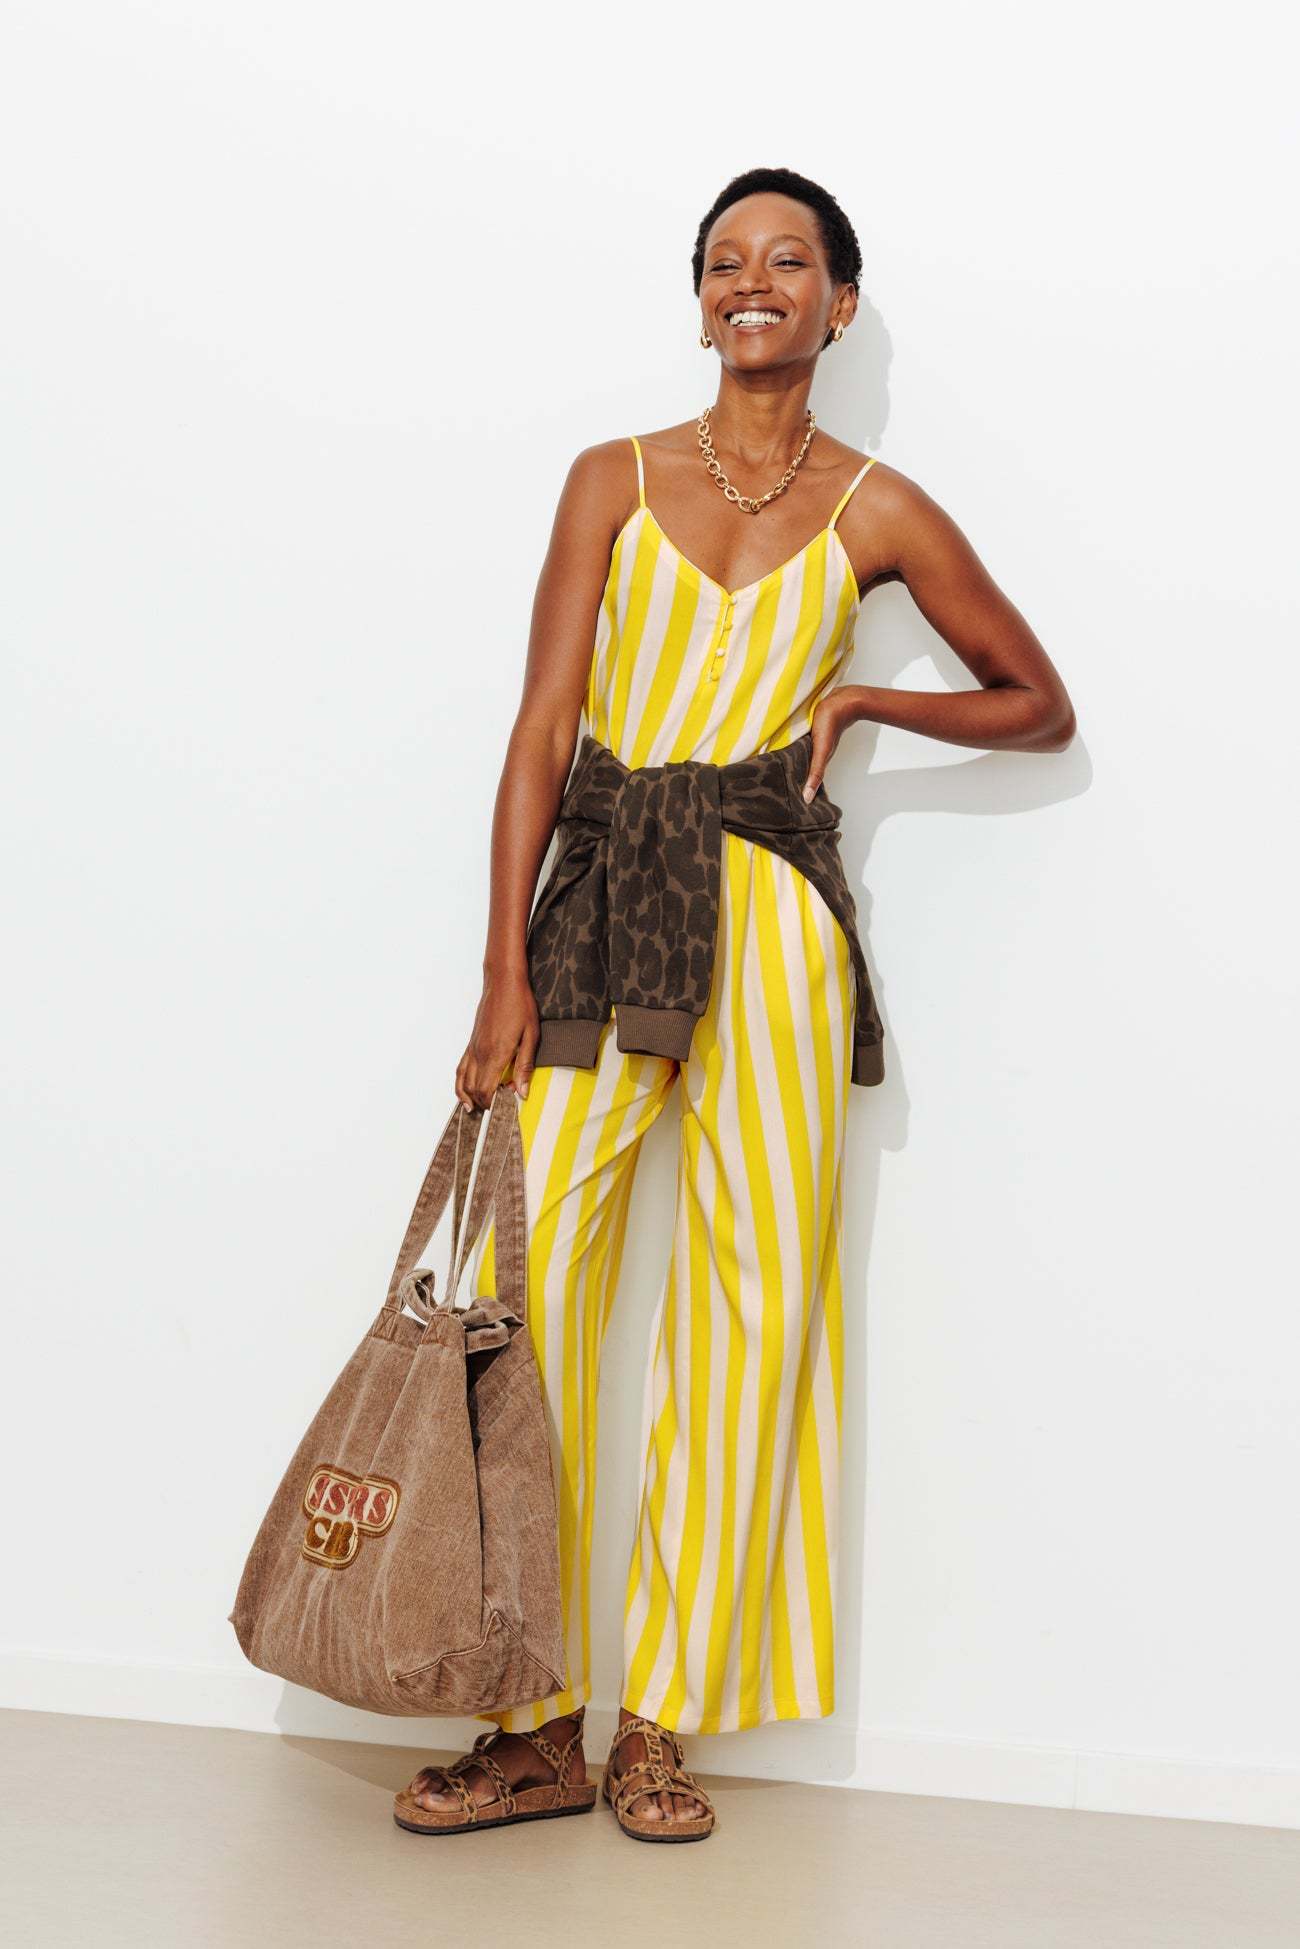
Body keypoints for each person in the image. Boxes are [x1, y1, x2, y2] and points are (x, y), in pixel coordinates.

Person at [398, 165, 1076, 1843]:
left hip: (774, 924)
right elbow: (542, 729)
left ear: (841, 302)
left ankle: (660, 1724)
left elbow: (1038, 700)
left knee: (753, 1309)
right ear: (699, 295)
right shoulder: (610, 479)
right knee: (528, 1283)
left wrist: (867, 701)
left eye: (787, 260)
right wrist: (499, 969)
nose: (750, 281)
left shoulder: (880, 510)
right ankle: (529, 1718)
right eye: (723, 260)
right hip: (599, 905)